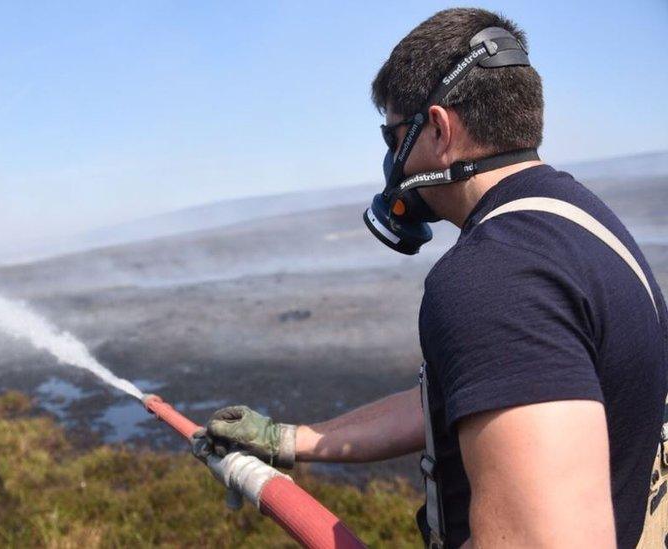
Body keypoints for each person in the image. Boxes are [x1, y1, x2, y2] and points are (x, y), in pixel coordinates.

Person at [197, 8, 668, 548]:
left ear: (440, 128)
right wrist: (288, 440)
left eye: (394, 136)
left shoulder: (495, 277)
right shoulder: (582, 221)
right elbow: (475, 392)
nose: (391, 161)